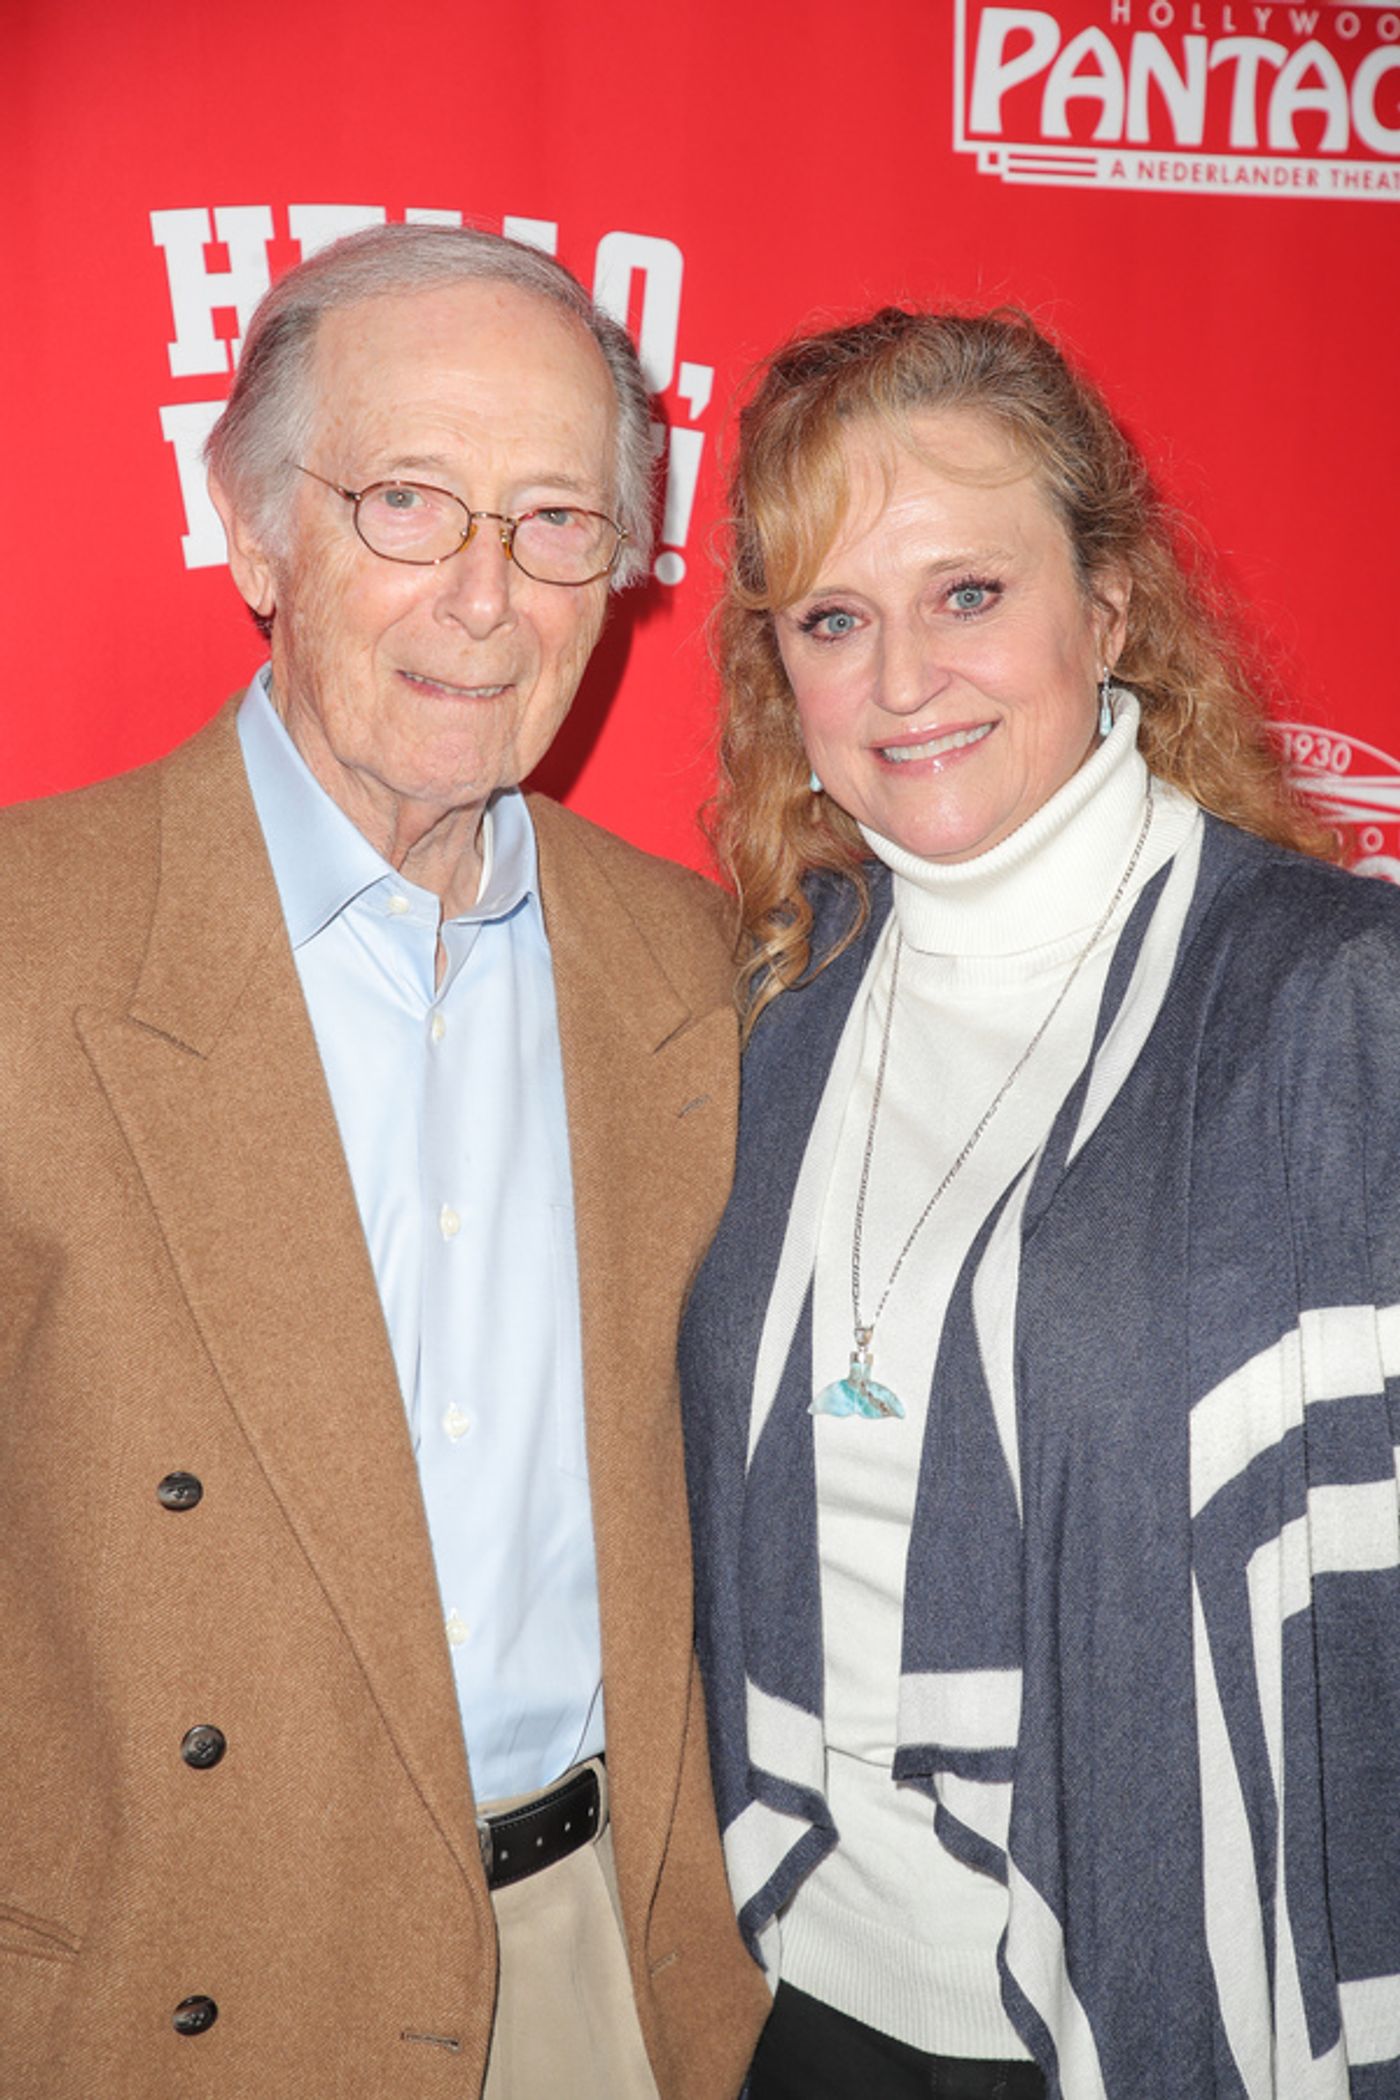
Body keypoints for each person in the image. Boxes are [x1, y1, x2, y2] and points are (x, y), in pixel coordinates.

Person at [0, 224, 768, 2100]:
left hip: (611, 1973)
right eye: (408, 503)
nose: (485, 598)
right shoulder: (31, 945)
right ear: (256, 533)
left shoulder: (698, 970)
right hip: (177, 1983)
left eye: (556, 521)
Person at [680, 306, 1400, 2099]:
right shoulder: (771, 998)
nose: (904, 681)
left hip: (1158, 2004)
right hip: (789, 1991)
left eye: (969, 595)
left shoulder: (1326, 1004)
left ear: (1110, 606)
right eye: (835, 620)